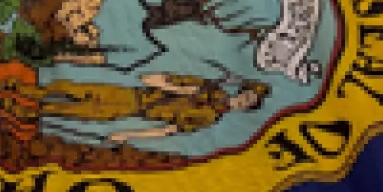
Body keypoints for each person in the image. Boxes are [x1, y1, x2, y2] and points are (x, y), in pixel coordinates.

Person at [23, 72, 269, 144]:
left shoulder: (207, 118)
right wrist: (185, 90)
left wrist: (127, 135)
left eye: (250, 102)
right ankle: (27, 92)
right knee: (70, 88)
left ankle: (30, 111)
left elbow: (166, 131)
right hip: (130, 95)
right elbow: (149, 78)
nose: (245, 100)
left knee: (72, 111)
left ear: (246, 109)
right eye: (247, 94)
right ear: (241, 91)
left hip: (130, 112)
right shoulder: (208, 86)